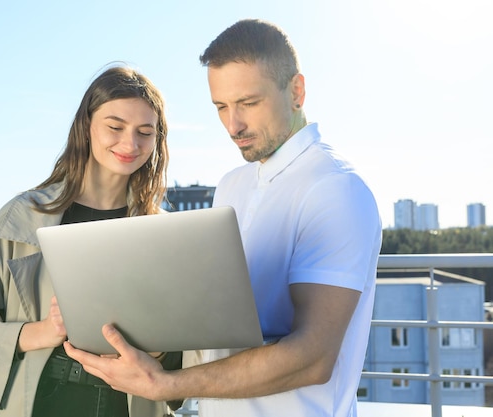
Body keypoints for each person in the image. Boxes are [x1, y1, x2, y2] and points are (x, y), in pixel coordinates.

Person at [64, 19, 383, 417]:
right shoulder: (233, 184)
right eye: (221, 107)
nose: (233, 125)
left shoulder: (336, 189)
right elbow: (214, 319)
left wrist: (164, 384)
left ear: (296, 91)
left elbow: (313, 358)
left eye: (248, 103)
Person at [0, 65, 182, 417]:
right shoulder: (16, 221)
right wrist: (43, 331)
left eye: (145, 132)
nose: (130, 144)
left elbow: (188, 361)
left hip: (126, 406)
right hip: (43, 403)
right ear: (86, 126)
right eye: (115, 127)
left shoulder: (166, 235)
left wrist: (155, 350)